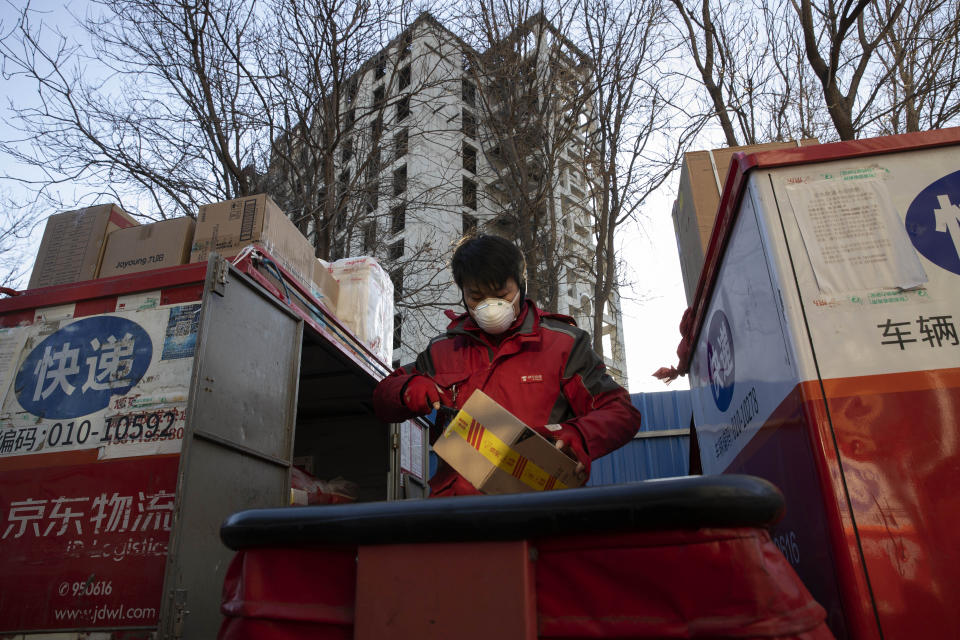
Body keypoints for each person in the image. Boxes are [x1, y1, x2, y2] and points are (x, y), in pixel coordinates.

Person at [373, 234, 641, 496]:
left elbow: (621, 413)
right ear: (462, 293)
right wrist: (407, 389)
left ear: (521, 285)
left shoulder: (563, 345)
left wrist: (580, 435)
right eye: (476, 297)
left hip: (538, 508)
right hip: (458, 516)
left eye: (501, 294)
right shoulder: (444, 349)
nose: (490, 307)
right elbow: (382, 398)